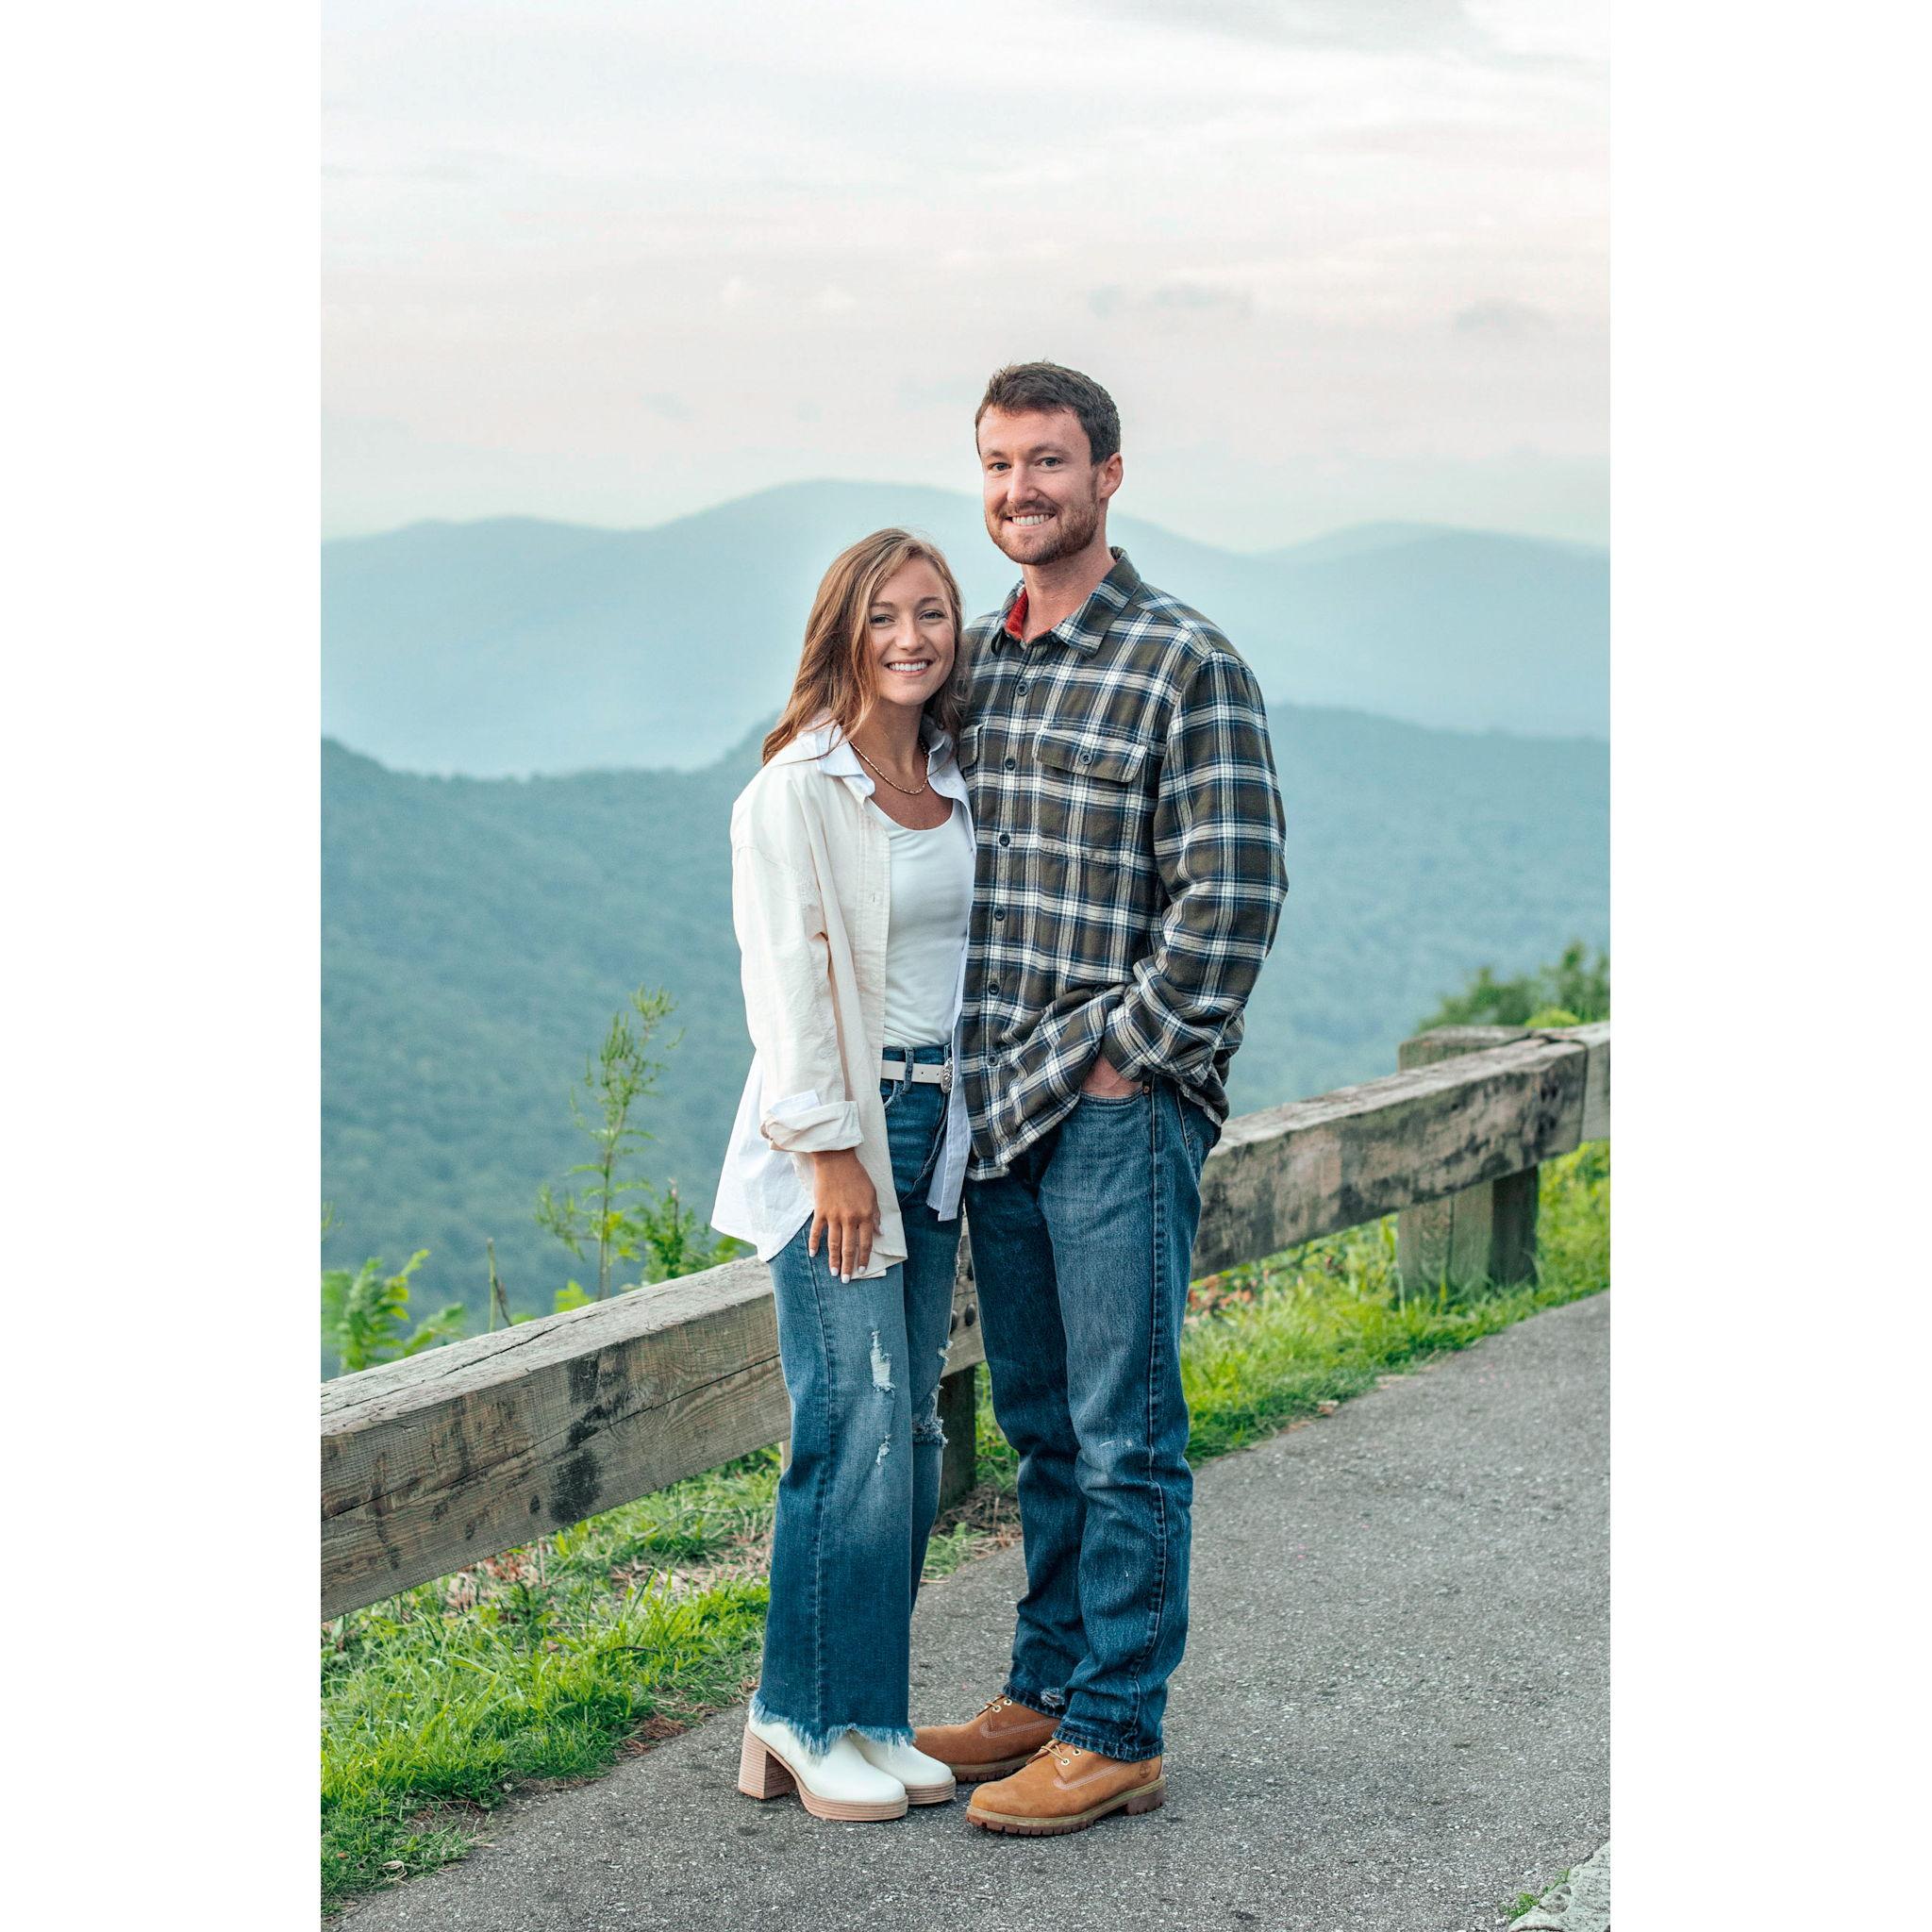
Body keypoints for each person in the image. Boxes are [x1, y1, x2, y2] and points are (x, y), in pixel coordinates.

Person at [913, 362, 1290, 1837]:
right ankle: (1047, 1688)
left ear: (1109, 476)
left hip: (1113, 1109)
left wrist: (1127, 1055)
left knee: (1127, 1432)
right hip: (993, 1108)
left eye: (1049, 462)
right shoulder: (973, 666)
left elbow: (1233, 894)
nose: (1020, 491)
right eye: (999, 465)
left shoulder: (1185, 661)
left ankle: (1119, 1729)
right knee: (1043, 1429)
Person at [710, 527, 976, 1823]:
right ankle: (797, 1714)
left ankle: (869, 1708)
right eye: (884, 616)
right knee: (851, 1423)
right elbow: (786, 988)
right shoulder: (795, 792)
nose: (911, 638)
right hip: (842, 1136)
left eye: (932, 613)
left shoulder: (955, 775)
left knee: (911, 1431)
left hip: (940, 1125)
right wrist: (830, 1153)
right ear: (843, 632)